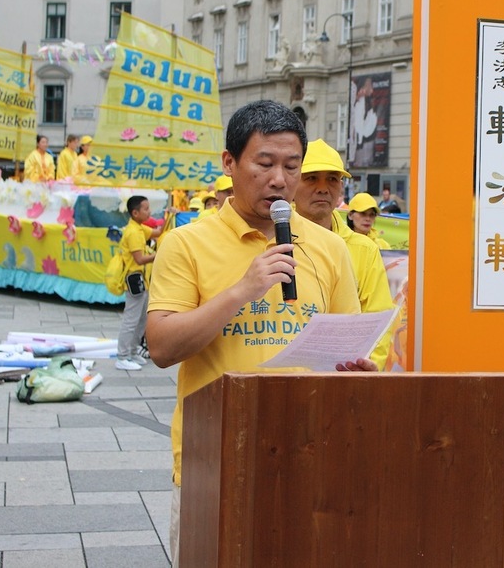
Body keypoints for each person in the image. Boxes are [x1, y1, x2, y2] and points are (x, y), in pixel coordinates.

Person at [145, 100, 373, 566]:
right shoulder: (185, 243)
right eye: (264, 163)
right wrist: (241, 291)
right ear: (229, 163)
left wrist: (357, 368)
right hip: (217, 458)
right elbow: (162, 346)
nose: (279, 180)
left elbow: (344, 342)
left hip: (309, 457)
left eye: (292, 167)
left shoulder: (329, 248)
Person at [293, 139, 395, 369]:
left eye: (332, 179)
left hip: (342, 377)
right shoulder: (269, 237)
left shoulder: (364, 249)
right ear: (291, 183)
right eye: (311, 178)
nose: (322, 187)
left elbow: (378, 319)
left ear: (341, 187)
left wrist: (364, 368)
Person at [115, 196, 155, 371]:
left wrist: (170, 216)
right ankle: (122, 356)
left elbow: (158, 233)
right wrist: (158, 255)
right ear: (135, 212)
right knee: (131, 320)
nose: (149, 211)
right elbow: (139, 259)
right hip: (135, 281)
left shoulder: (139, 228)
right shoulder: (132, 232)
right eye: (145, 209)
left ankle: (132, 352)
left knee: (141, 319)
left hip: (143, 281)